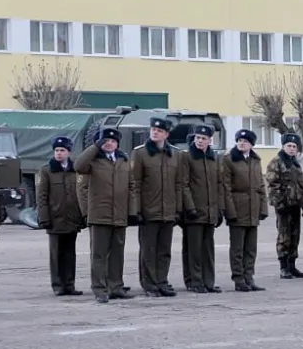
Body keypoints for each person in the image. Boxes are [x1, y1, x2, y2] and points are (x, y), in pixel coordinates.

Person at [76, 127, 137, 303]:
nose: (109, 144)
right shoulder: (93, 162)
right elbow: (78, 166)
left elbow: (132, 187)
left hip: (119, 215)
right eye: (105, 141)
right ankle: (100, 289)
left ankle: (116, 287)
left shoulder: (123, 161)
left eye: (112, 141)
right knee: (99, 255)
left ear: (117, 143)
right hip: (99, 214)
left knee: (117, 254)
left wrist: (132, 212)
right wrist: (94, 147)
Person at [132, 117, 183, 297]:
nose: (155, 132)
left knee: (164, 250)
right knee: (148, 249)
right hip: (148, 210)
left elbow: (178, 184)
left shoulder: (175, 154)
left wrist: (178, 209)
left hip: (168, 210)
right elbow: (135, 184)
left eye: (159, 131)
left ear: (166, 134)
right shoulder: (140, 154)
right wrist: (136, 210)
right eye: (153, 129)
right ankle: (149, 283)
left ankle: (162, 280)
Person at [36, 136, 84, 296]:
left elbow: (81, 194)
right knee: (56, 254)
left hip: (72, 218)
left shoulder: (75, 170)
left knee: (70, 254)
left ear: (69, 152)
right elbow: (42, 196)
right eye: (56, 150)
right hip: (55, 218)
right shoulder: (47, 170)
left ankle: (69, 284)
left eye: (62, 150)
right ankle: (58, 285)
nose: (59, 153)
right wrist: (44, 218)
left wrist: (82, 216)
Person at [221, 129, 268, 292]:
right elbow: (225, 187)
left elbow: (261, 186)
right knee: (237, 248)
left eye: (245, 141)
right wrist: (230, 211)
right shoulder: (228, 160)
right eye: (239, 141)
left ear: (251, 144)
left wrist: (263, 207)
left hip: (253, 208)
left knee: (251, 248)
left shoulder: (255, 160)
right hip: (238, 207)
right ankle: (239, 278)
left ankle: (249, 277)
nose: (242, 143)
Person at [181, 125, 223, 293]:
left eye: (204, 138)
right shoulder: (187, 157)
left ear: (209, 140)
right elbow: (184, 184)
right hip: (194, 211)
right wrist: (190, 208)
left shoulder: (213, 158)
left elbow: (218, 185)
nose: (200, 141)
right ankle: (194, 281)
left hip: (210, 211)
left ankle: (208, 281)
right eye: (198, 138)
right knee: (193, 249)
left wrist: (219, 209)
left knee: (207, 249)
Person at [267, 133, 303, 279]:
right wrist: (279, 204)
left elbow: (301, 186)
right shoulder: (276, 162)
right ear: (283, 146)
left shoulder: (295, 164)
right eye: (289, 146)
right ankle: (283, 267)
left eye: (294, 147)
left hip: (295, 205)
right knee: (284, 237)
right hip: (283, 206)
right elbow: (273, 185)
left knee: (295, 236)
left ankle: (292, 265)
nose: (291, 149)